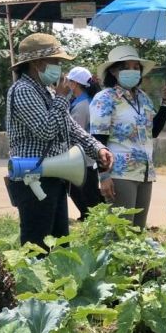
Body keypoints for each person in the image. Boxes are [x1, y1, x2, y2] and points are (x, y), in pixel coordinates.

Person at [5, 33, 112, 249]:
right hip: (34, 179)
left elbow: (70, 128)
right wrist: (62, 98)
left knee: (60, 243)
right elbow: (46, 130)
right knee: (37, 244)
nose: (59, 68)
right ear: (36, 63)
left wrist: (97, 148)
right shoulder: (23, 90)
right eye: (54, 61)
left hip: (54, 175)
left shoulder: (47, 92)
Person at [89, 45, 166, 230]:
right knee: (121, 232)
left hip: (144, 172)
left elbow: (153, 131)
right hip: (119, 173)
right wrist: (103, 176)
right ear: (113, 71)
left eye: (136, 67)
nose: (133, 71)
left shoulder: (142, 98)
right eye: (126, 67)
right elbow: (98, 140)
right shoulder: (105, 98)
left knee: (138, 232)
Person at [63, 66, 104, 221]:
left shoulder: (82, 106)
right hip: (86, 158)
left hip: (82, 159)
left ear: (74, 84)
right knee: (87, 192)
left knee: (84, 193)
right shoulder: (85, 100)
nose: (65, 83)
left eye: (68, 81)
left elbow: (75, 133)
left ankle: (90, 218)